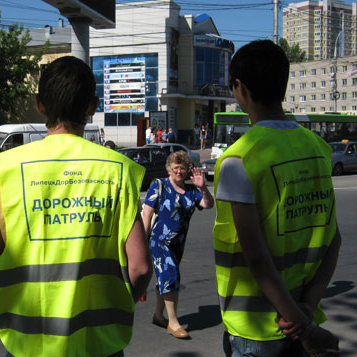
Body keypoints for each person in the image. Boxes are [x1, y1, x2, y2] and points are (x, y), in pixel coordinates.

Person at [0, 56, 152, 357]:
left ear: (39, 104)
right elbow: (141, 267)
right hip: (99, 344)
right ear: (93, 106)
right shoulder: (118, 170)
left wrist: (15, 311)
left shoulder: (5, 167)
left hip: (28, 342)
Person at [214, 40, 340, 356]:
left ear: (238, 87)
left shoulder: (238, 159)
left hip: (257, 329)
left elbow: (256, 258)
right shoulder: (318, 148)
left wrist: (300, 323)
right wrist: (308, 307)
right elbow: (333, 240)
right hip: (303, 313)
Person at [142, 151, 214, 339]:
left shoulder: (191, 191)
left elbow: (208, 205)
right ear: (169, 169)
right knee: (170, 275)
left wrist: (203, 188)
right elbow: (147, 214)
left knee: (165, 279)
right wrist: (141, 241)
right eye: (175, 168)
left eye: (182, 168)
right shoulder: (160, 185)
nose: (179, 172)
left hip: (177, 245)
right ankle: (173, 322)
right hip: (159, 242)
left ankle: (158, 315)